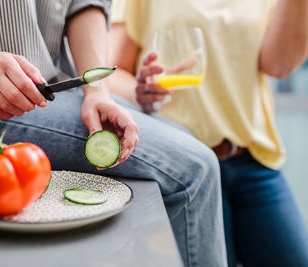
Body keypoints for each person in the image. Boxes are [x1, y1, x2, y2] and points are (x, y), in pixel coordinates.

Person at [0, 0, 227, 266]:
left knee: (192, 148)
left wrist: (98, 93)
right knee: (195, 167)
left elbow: (85, 3)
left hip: (52, 91)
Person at [108, 0, 308, 266]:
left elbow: (279, 66)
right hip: (186, 170)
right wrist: (139, 92)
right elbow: (110, 72)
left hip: (253, 160)